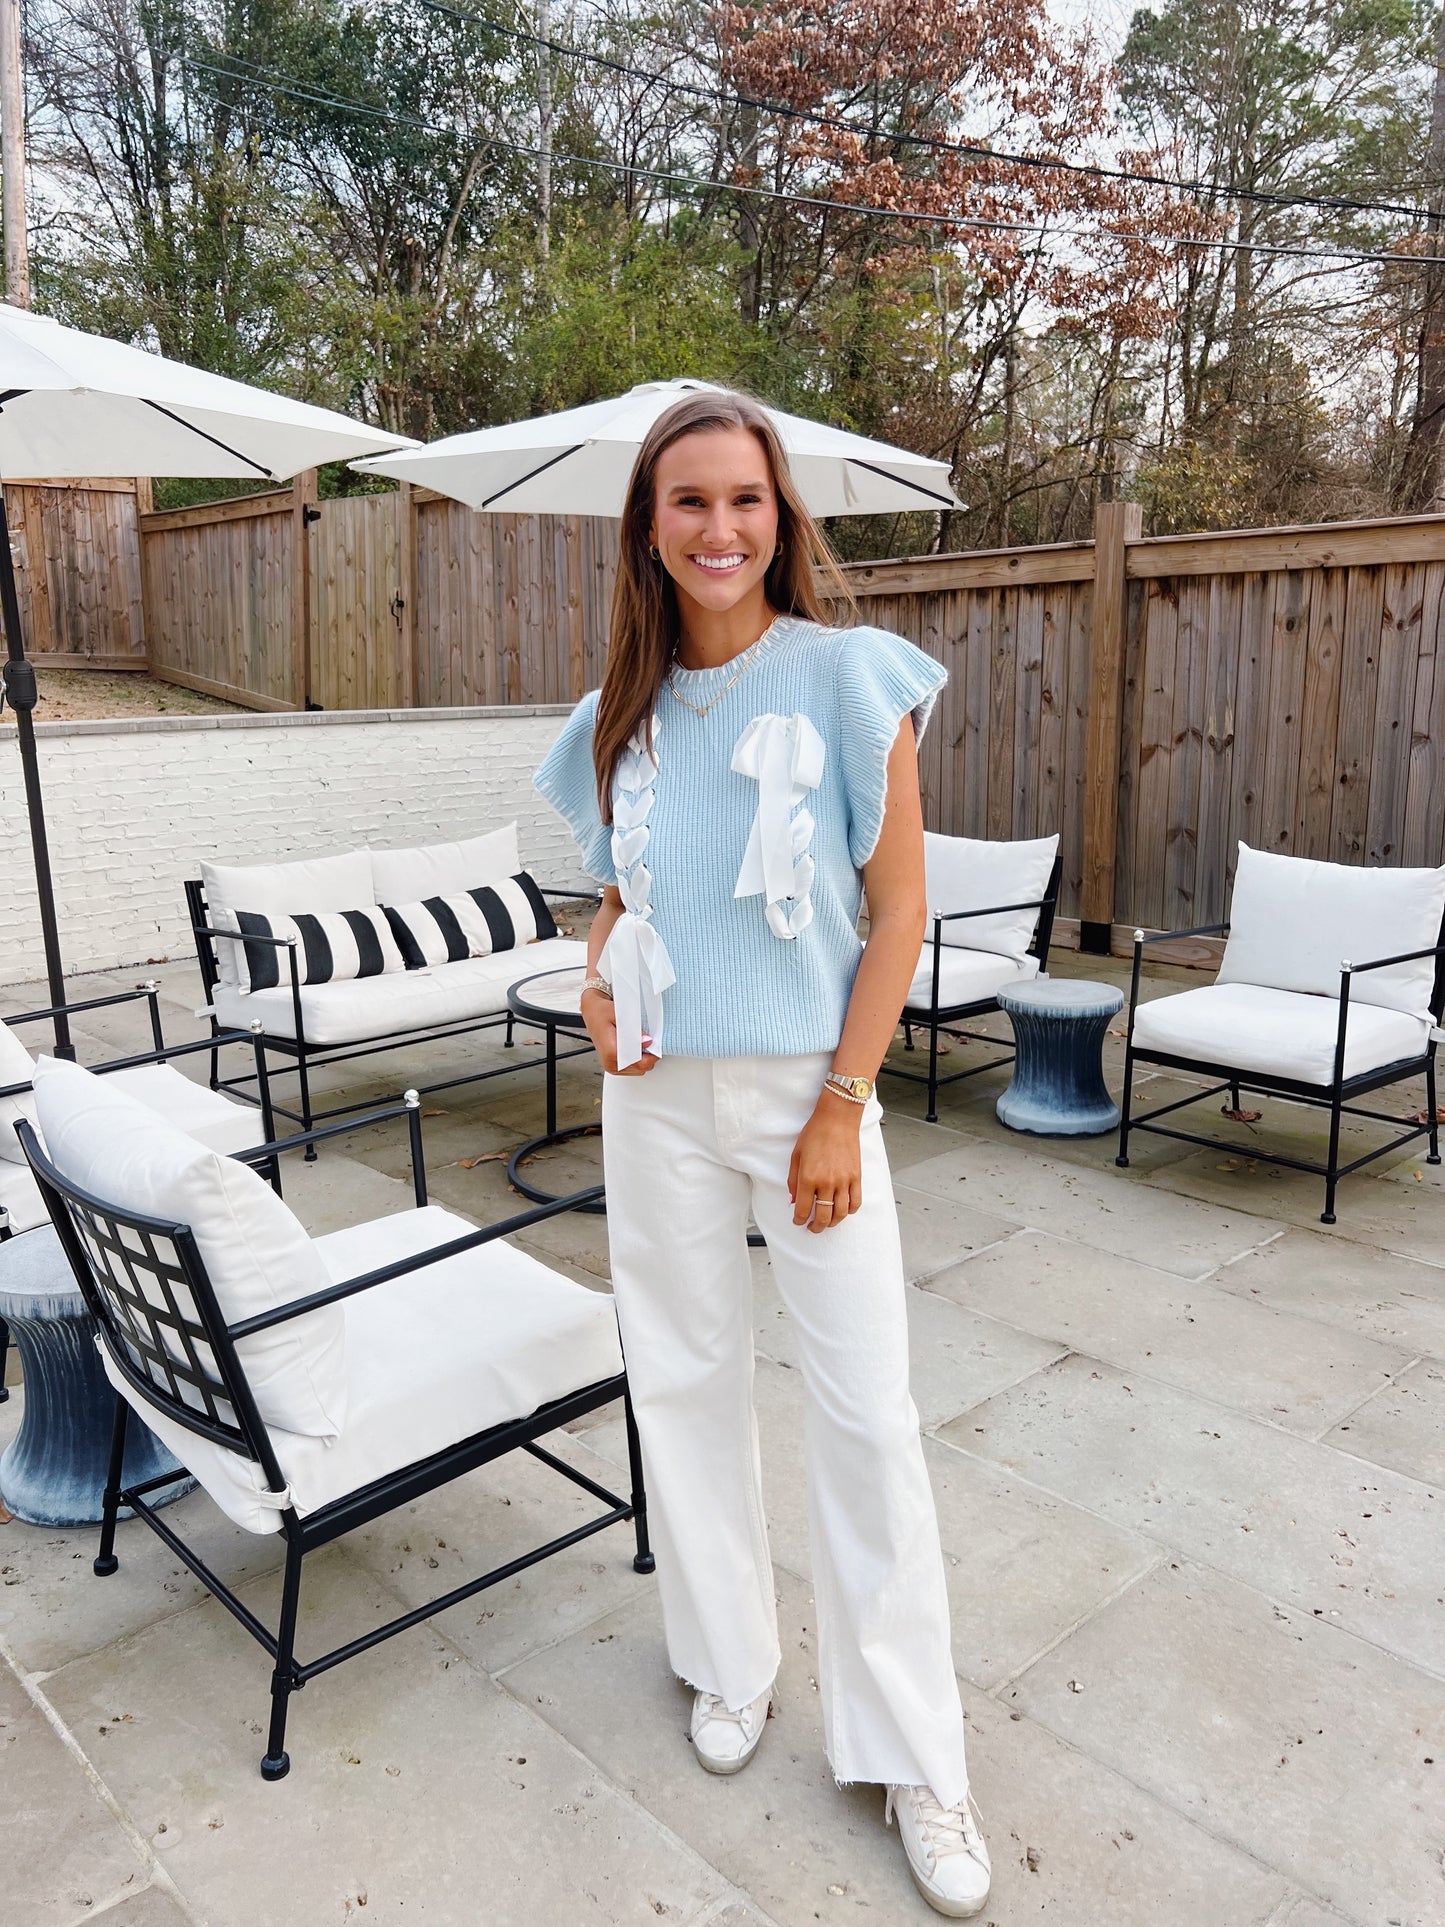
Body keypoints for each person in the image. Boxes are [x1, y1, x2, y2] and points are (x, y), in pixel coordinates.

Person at [533, 388, 990, 1918]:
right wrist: (597, 984)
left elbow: (898, 914)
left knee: (866, 1412)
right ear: (646, 530)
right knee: (679, 1380)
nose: (718, 529)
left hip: (812, 1083)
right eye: (687, 503)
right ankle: (725, 1663)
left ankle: (917, 1752)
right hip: (657, 1094)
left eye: (743, 500)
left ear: (779, 516)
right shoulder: (621, 708)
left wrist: (844, 1104)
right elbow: (616, 895)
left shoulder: (854, 679)